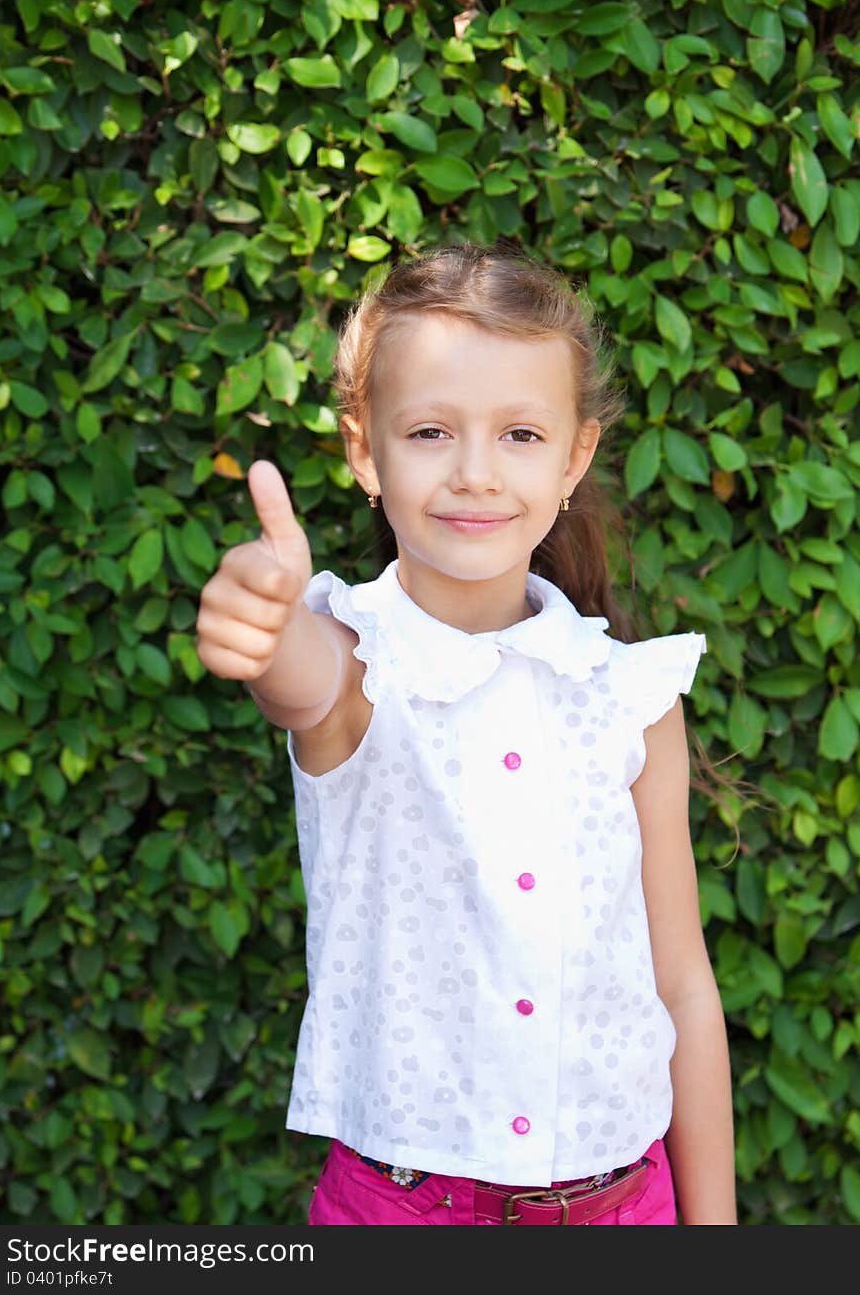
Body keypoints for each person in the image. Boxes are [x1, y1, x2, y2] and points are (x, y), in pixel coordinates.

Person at [196, 243, 736, 1225]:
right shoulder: (356, 662)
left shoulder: (633, 694)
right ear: (365, 449)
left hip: (628, 1205)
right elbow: (299, 680)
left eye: (521, 434)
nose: (476, 473)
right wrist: (264, 625)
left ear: (575, 455)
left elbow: (683, 988)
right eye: (432, 431)